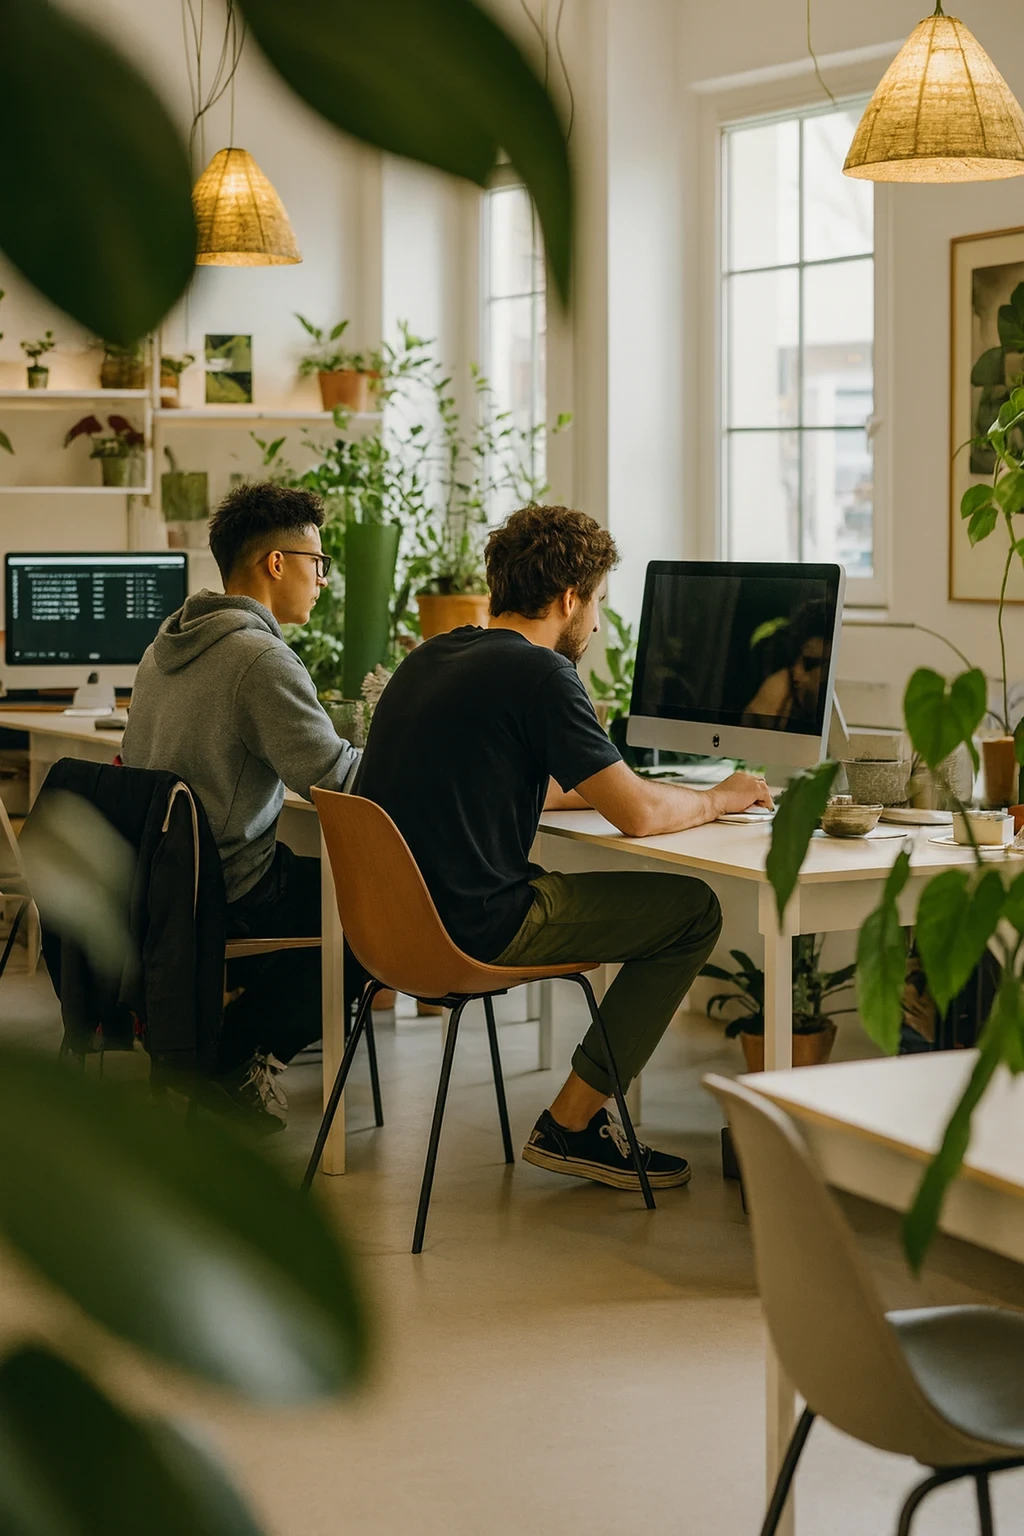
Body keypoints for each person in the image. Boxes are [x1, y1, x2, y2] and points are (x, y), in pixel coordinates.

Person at [356, 503, 773, 1191]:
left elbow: (514, 782)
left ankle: (578, 1119)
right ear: (570, 598)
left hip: (392, 934)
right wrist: (719, 799)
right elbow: (638, 818)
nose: (599, 624)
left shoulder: (432, 656)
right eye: (598, 601)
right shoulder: (542, 674)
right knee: (694, 911)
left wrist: (615, 785)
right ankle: (572, 1123)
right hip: (479, 926)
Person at [121, 482, 360, 1130]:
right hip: (225, 884)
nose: (322, 579)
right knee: (375, 911)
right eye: (317, 562)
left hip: (162, 881)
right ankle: (229, 1060)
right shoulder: (259, 659)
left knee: (320, 889)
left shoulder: (162, 648)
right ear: (276, 563)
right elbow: (336, 777)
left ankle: (213, 1044)